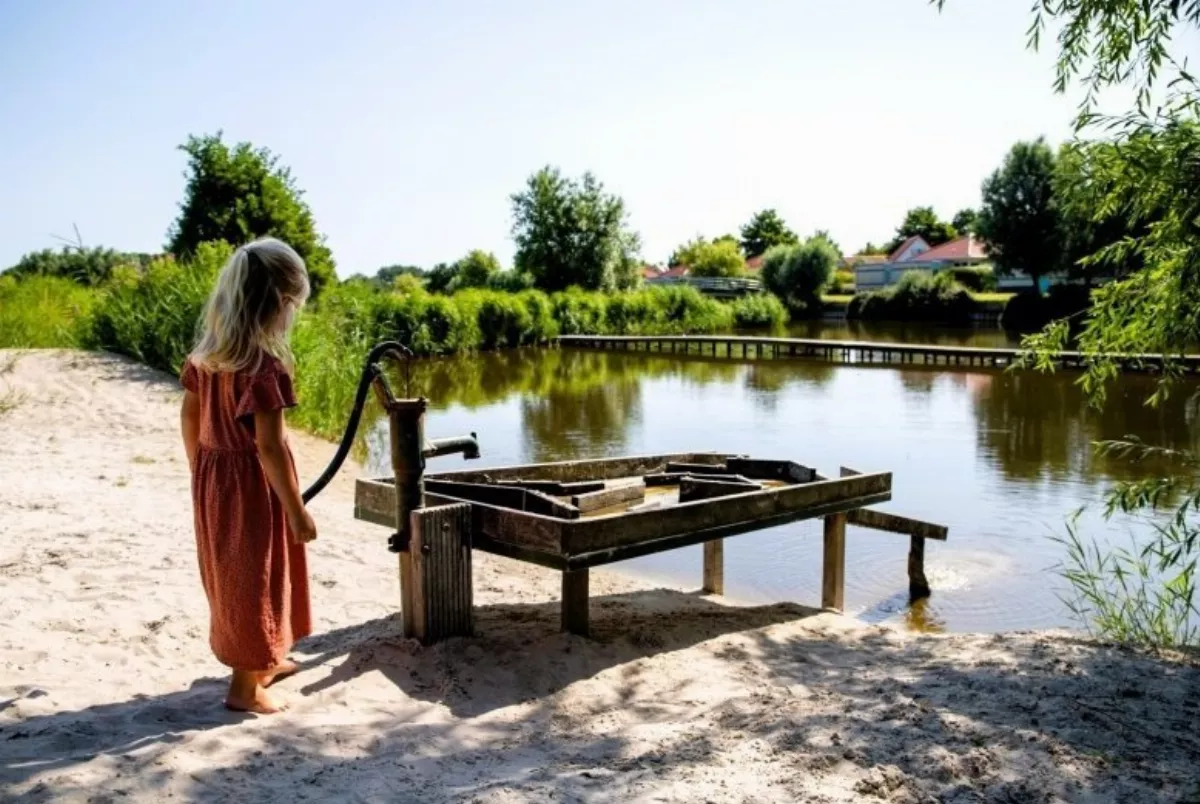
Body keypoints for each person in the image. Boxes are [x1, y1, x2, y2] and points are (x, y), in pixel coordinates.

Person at [179, 237, 318, 714]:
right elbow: (270, 447)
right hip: (253, 487)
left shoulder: (206, 358)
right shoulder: (264, 369)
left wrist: (200, 468)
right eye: (292, 306)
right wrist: (297, 510)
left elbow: (189, 417)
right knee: (254, 578)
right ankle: (244, 688)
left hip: (213, 479)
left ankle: (264, 659)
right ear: (279, 303)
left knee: (233, 575)